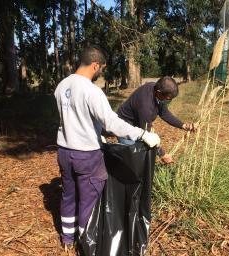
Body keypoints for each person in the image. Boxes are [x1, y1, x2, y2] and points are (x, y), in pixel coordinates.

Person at [54, 46, 160, 252]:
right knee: (89, 200)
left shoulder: (62, 85)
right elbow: (112, 123)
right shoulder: (91, 91)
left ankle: (67, 238)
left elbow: (72, 117)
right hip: (86, 154)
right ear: (95, 65)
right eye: (101, 68)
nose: (101, 71)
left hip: (64, 151)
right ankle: (86, 244)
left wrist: (95, 130)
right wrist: (142, 134)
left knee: (68, 194)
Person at [117, 76, 196, 164]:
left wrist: (183, 125)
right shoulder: (145, 106)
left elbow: (164, 113)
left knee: (140, 154)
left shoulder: (156, 90)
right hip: (125, 126)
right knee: (132, 158)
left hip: (139, 124)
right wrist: (162, 154)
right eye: (168, 98)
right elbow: (147, 135)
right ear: (159, 93)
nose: (169, 101)